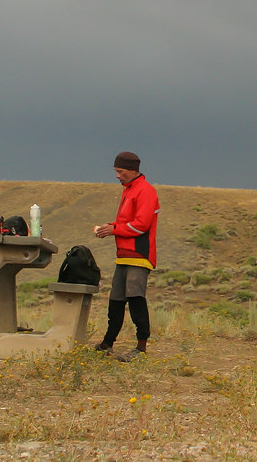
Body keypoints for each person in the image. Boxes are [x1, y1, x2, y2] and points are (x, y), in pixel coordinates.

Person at [93, 151, 161, 361]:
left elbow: (141, 225)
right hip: (123, 255)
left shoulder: (145, 191)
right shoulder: (129, 190)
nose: (117, 176)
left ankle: (141, 349)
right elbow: (127, 223)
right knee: (116, 301)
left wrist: (113, 230)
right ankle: (107, 343)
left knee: (135, 299)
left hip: (139, 255)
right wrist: (110, 227)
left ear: (132, 170)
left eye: (120, 172)